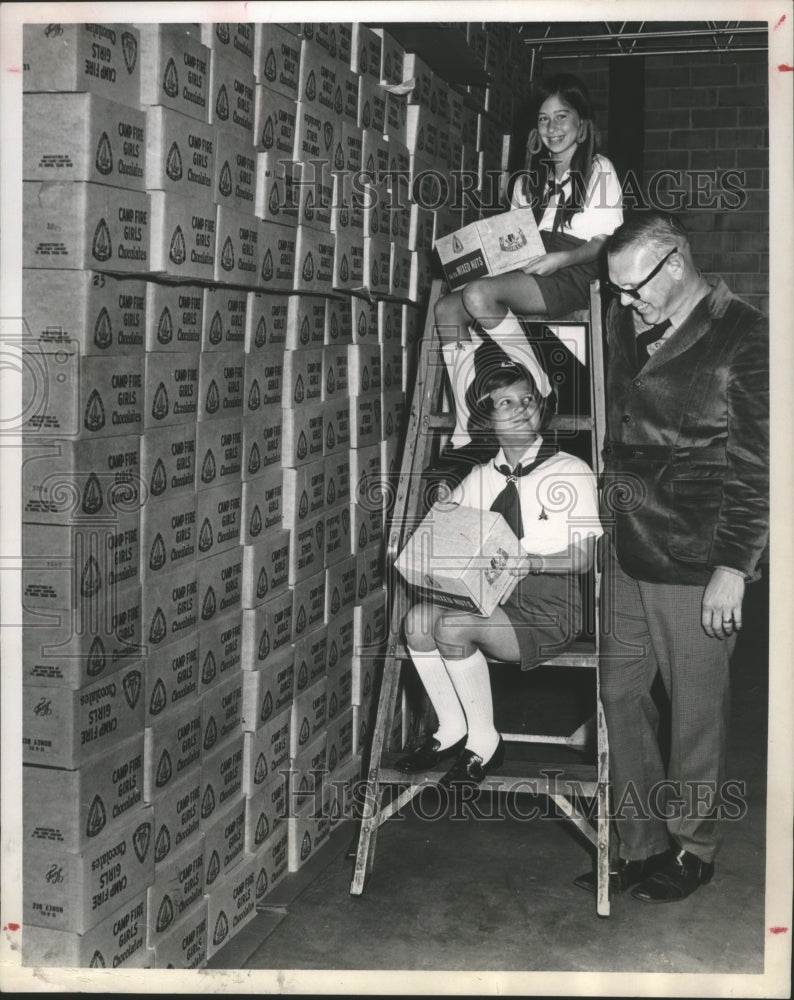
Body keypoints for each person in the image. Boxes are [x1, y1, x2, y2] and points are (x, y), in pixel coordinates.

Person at [578, 211, 769, 902]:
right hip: (625, 543)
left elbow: (758, 467)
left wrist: (734, 568)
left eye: (635, 289)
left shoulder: (745, 333)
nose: (626, 304)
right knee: (618, 693)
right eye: (618, 291)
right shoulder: (628, 318)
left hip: (696, 553)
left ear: (677, 262)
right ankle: (640, 843)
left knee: (695, 709)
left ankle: (695, 847)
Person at [397, 358, 603, 786]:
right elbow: (442, 540)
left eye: (527, 399)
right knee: (416, 622)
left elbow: (584, 558)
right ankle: (452, 728)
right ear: (487, 419)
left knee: (452, 626)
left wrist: (533, 562)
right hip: (489, 599)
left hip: (549, 606)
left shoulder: (570, 470)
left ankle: (485, 743)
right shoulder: (479, 476)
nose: (522, 408)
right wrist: (438, 525)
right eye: (506, 402)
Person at [436, 72, 624, 450]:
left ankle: (538, 382)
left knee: (478, 296)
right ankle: (466, 414)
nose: (552, 128)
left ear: (582, 124)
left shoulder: (599, 169)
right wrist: (479, 258)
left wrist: (562, 258)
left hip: (574, 271)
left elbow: (606, 242)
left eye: (562, 117)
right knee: (446, 308)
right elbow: (514, 241)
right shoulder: (527, 180)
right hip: (531, 268)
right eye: (543, 119)